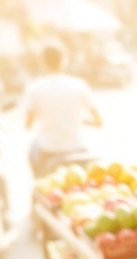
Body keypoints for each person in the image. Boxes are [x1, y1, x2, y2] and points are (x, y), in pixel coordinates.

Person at [22, 44, 102, 176]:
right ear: (65, 60)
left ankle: (38, 181)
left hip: (48, 149)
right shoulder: (79, 85)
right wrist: (82, 121)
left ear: (43, 62)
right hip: (79, 146)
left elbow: (28, 125)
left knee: (32, 151)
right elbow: (99, 122)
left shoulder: (35, 88)